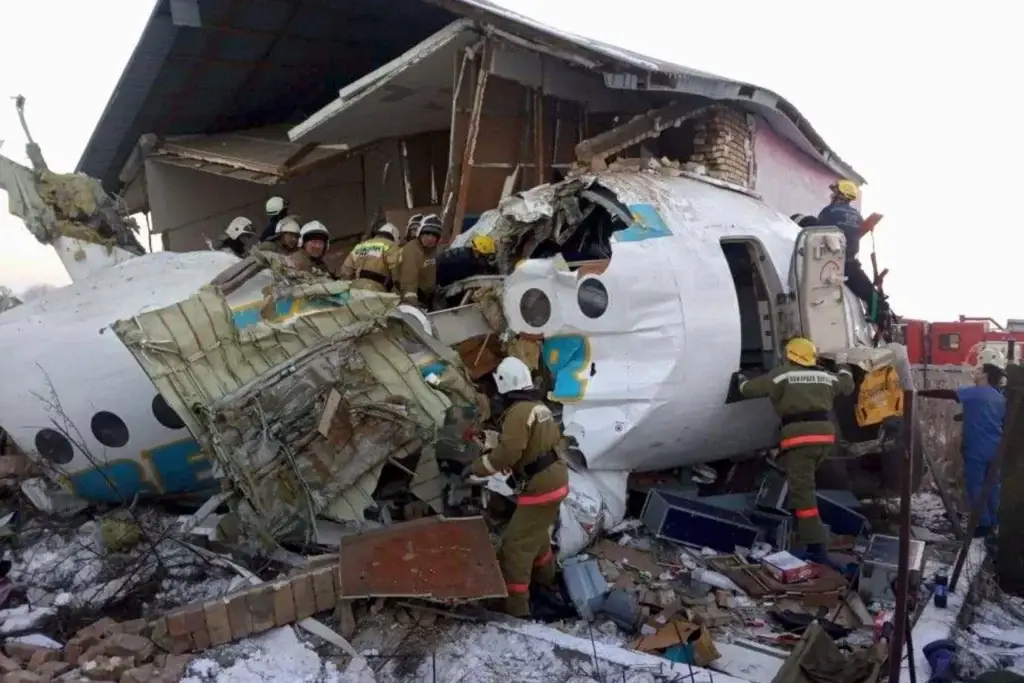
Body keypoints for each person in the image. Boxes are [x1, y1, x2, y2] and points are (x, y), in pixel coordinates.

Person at [733, 337, 854, 563]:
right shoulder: (825, 376)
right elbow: (847, 385)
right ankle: (801, 531)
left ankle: (816, 549)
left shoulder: (781, 375)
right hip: (824, 438)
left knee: (803, 494)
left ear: (790, 356)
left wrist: (740, 377)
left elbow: (747, 389)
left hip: (800, 439)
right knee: (797, 482)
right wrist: (843, 365)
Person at [465, 357, 568, 617]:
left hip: (540, 487)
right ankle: (549, 583)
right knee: (536, 535)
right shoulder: (537, 407)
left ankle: (517, 611)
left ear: (503, 384)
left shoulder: (518, 412)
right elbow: (529, 446)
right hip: (556, 479)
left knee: (515, 547)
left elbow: (508, 453)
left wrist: (476, 467)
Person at [918, 362, 1006, 538]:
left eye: (979, 369)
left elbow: (949, 394)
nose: (975, 371)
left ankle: (983, 523)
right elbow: (992, 416)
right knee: (993, 486)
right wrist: (964, 416)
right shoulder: (999, 397)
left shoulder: (974, 392)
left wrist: (918, 392)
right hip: (996, 448)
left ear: (985, 375)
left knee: (975, 485)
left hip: (977, 448)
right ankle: (996, 523)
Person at [816, 180, 889, 321]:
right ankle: (875, 317)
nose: (832, 196)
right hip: (850, 264)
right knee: (871, 294)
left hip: (826, 261)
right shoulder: (857, 215)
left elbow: (817, 232)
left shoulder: (829, 211)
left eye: (834, 193)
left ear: (841, 195)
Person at [338, 223, 401, 292]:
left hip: (355, 289)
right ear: (395, 237)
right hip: (376, 290)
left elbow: (345, 271)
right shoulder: (391, 246)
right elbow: (396, 269)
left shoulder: (361, 245)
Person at [397, 213, 441, 309]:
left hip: (428, 297)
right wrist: (411, 302)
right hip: (413, 298)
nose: (430, 238)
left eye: (434, 235)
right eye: (427, 233)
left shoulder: (434, 251)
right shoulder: (411, 249)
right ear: (420, 233)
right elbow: (409, 278)